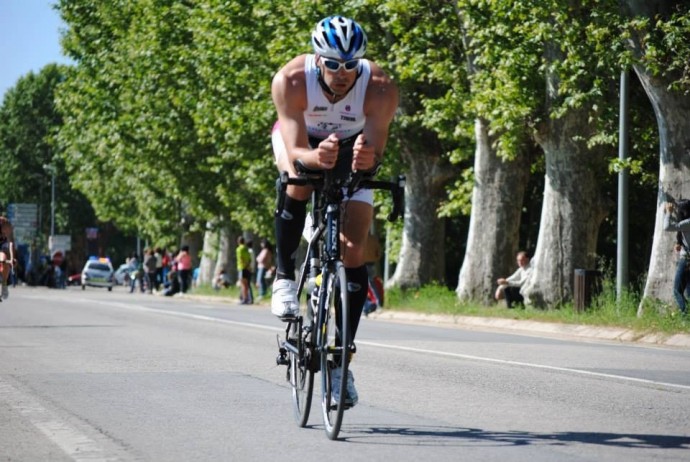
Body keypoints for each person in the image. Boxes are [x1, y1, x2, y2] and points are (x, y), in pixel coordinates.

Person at [270, 15, 398, 407]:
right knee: (298, 180)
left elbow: (374, 156)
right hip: (302, 143)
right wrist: (313, 156)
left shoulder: (379, 87)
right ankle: (284, 278)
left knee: (353, 249)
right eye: (332, 64)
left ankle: (341, 362)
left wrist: (366, 160)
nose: (342, 74)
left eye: (350, 65)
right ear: (317, 59)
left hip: (350, 148)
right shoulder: (291, 80)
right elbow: (293, 153)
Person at [663, 200, 690, 315]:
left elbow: (667, 227)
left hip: (687, 259)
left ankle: (685, 315)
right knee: (689, 291)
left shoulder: (688, 222)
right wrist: (680, 243)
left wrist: (668, 213)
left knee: (677, 290)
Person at [0, 217, 16, 301]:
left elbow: (11, 245)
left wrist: (12, 258)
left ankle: (4, 284)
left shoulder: (7, 225)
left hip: (3, 247)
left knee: (3, 258)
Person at [236, 236, 252, 304]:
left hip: (241, 267)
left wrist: (244, 265)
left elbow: (240, 258)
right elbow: (249, 258)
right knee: (246, 285)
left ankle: (244, 299)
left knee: (243, 285)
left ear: (238, 241)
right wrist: (247, 265)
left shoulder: (239, 249)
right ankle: (247, 298)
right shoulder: (246, 248)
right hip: (247, 267)